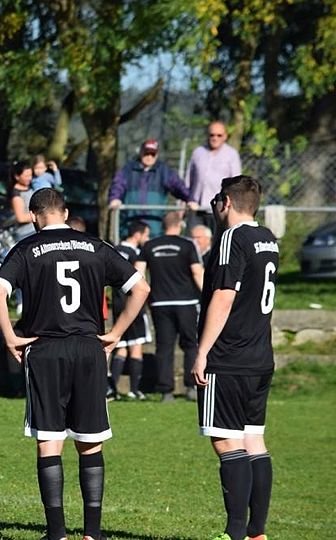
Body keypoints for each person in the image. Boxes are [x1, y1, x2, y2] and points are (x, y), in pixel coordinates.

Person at [0, 188, 150, 540]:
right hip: (89, 349)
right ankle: (92, 532)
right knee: (91, 441)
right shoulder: (96, 246)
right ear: (65, 212)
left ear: (33, 216)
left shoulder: (26, 248)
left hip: (45, 349)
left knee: (49, 441)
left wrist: (10, 337)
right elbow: (141, 289)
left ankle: (57, 532)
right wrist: (116, 333)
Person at [191, 175, 278, 540]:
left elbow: (224, 296)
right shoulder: (267, 238)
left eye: (216, 200)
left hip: (229, 357)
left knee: (227, 442)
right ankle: (257, 532)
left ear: (226, 202)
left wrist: (202, 352)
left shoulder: (232, 237)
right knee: (253, 440)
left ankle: (235, 533)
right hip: (260, 356)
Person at [135, 211, 204, 402]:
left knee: (164, 347)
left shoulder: (150, 245)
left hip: (160, 303)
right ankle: (191, 387)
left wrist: (142, 297)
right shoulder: (188, 244)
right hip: (186, 303)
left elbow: (138, 273)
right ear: (180, 225)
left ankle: (166, 391)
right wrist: (207, 295)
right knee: (190, 344)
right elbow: (197, 273)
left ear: (163, 226)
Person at [109, 139, 197, 236]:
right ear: (141, 153)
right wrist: (115, 198)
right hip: (130, 223)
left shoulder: (163, 171)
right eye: (146, 153)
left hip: (154, 224)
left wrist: (190, 199)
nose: (149, 157)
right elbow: (118, 185)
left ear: (157, 155)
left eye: (152, 154)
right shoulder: (128, 169)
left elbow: (177, 185)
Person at [110, 220, 152, 400]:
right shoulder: (136, 254)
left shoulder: (113, 250)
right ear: (137, 235)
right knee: (136, 346)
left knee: (120, 346)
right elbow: (139, 280)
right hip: (133, 304)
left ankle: (112, 389)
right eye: (146, 235)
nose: (147, 239)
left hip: (117, 304)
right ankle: (134, 390)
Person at [188, 122, 242, 230]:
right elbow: (188, 180)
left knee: (217, 239)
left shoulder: (231, 155)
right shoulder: (198, 152)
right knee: (196, 239)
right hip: (197, 209)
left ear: (225, 136)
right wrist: (186, 202)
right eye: (212, 135)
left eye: (219, 135)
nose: (215, 138)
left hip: (219, 209)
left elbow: (236, 183)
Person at [9, 161, 35, 241]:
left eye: (30, 175)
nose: (30, 178)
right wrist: (39, 215)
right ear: (17, 177)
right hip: (25, 234)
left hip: (34, 231)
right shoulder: (16, 194)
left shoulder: (29, 188)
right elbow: (21, 218)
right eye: (26, 176)